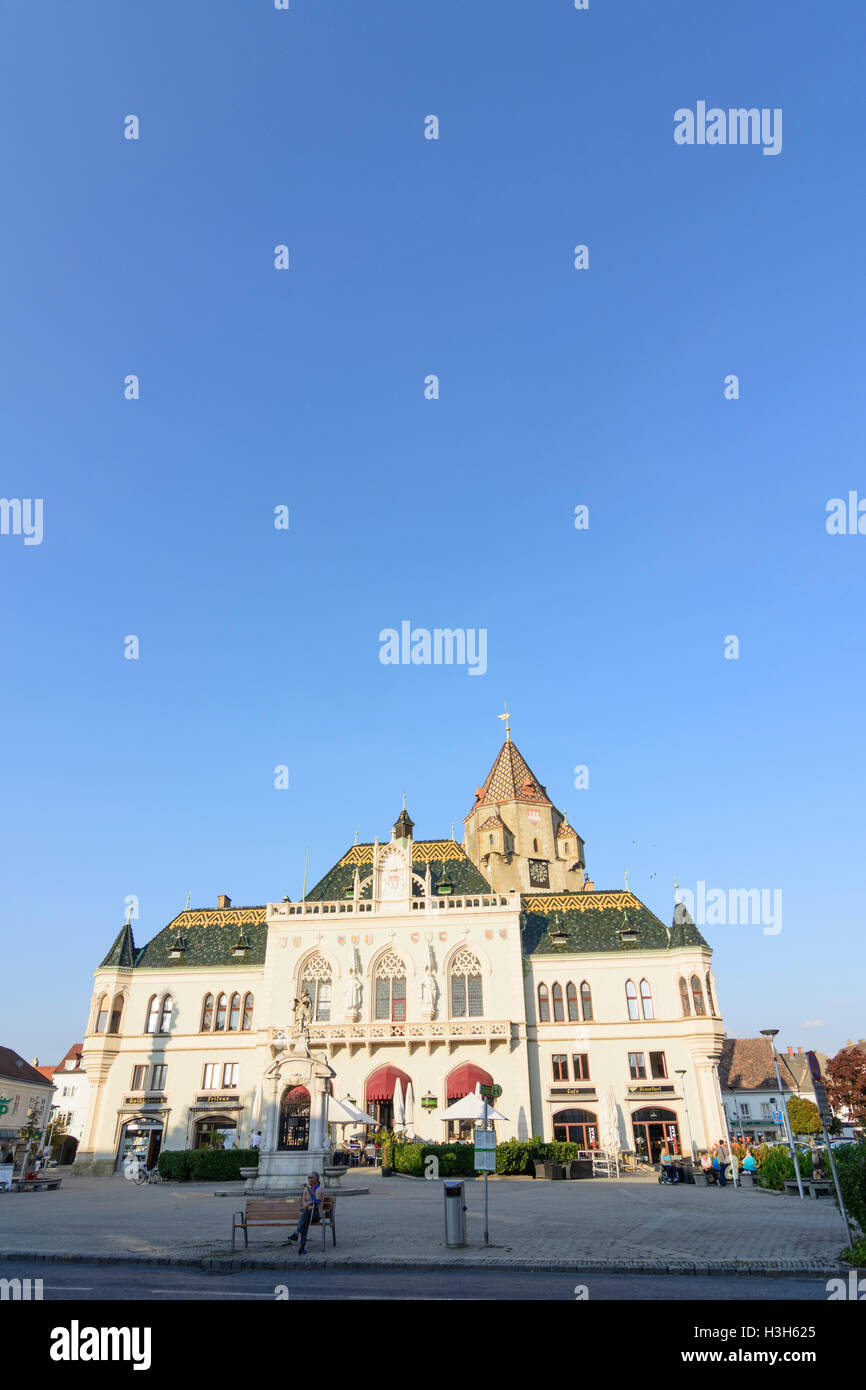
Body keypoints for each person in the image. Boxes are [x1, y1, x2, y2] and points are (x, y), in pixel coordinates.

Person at [287, 1171, 321, 1253]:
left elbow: (317, 1201)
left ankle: (297, 1233)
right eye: (308, 1177)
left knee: (306, 1215)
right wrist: (306, 1204)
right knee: (305, 1220)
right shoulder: (306, 1188)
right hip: (308, 1213)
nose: (308, 1179)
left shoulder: (319, 1189)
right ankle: (302, 1247)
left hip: (316, 1215)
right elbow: (303, 1200)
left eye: (310, 1177)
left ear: (315, 1179)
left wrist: (308, 1204)